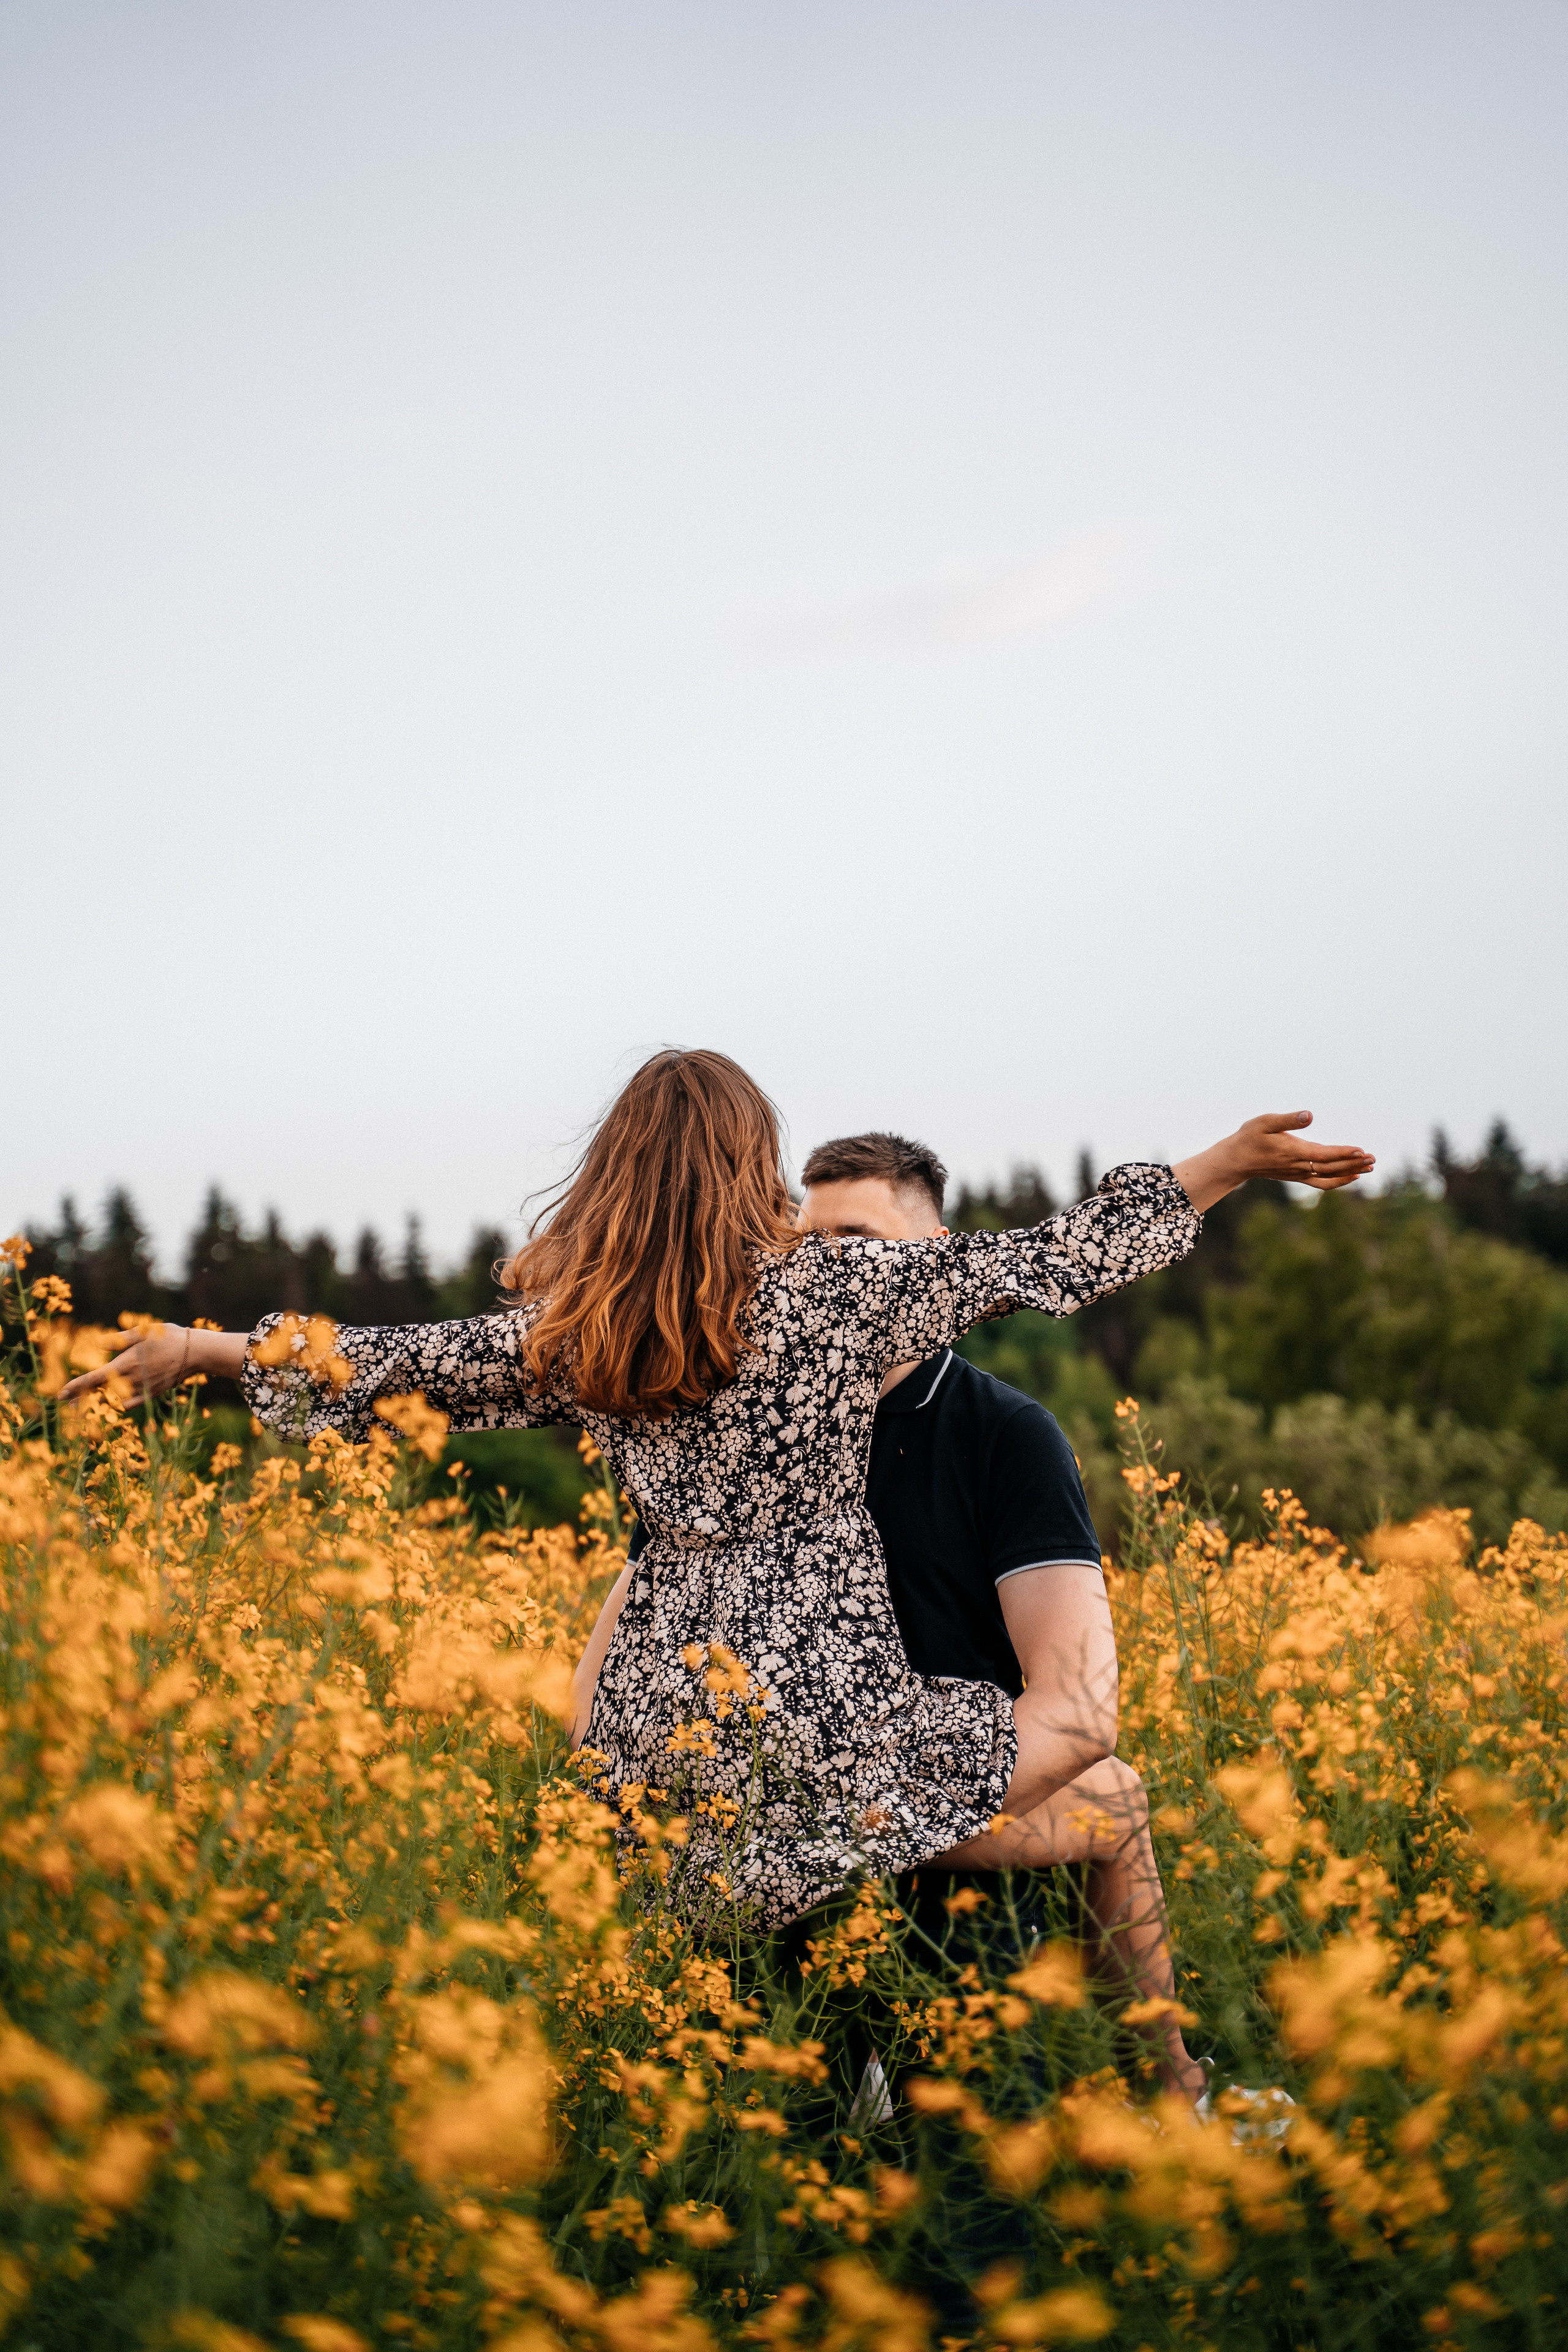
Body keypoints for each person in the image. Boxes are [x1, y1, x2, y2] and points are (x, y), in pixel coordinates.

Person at [65, 1052, 1373, 1947]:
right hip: (824, 1713)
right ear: (754, 1164)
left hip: (662, 1728)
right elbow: (1053, 1258)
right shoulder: (830, 1293)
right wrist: (1223, 1163)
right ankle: (1142, 2081)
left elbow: (384, 1362)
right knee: (1094, 1770)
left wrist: (201, 1349)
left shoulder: (582, 1334)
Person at [794, 1126, 1198, 2101]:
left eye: (856, 1241)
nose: (826, 1269)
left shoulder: (1006, 1433)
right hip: (788, 1786)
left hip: (939, 1786)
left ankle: (1164, 2093)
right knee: (1117, 1800)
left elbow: (1077, 1699)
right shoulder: (763, 1424)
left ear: (939, 1260)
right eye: (810, 1245)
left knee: (1111, 1788)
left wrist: (898, 1809)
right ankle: (1170, 2091)